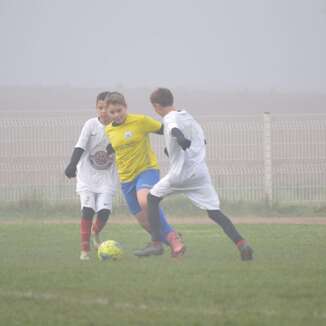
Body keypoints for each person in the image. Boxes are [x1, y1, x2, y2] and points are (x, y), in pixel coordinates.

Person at [143, 88, 254, 260]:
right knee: (214, 212)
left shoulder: (170, 118)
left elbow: (173, 129)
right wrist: (175, 147)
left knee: (152, 198)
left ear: (156, 106)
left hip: (181, 174)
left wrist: (179, 138)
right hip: (200, 174)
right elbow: (202, 140)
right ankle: (242, 244)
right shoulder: (188, 116)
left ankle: (156, 243)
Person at [104, 92, 184, 257]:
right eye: (112, 112)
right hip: (126, 179)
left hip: (146, 170)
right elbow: (119, 143)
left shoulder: (140, 121)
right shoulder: (109, 129)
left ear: (125, 107)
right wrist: (110, 148)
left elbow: (165, 130)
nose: (117, 115)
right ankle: (169, 244)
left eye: (119, 110)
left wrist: (175, 144)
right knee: (144, 222)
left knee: (145, 201)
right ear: (107, 113)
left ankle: (173, 240)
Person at [64, 91, 118, 261]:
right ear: (96, 108)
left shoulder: (119, 127)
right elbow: (80, 146)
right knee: (88, 210)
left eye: (106, 108)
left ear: (113, 109)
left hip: (107, 178)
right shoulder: (90, 125)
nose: (103, 111)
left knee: (104, 212)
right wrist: (72, 165)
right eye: (99, 108)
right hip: (87, 176)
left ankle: (95, 233)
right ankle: (85, 251)